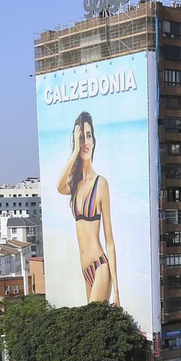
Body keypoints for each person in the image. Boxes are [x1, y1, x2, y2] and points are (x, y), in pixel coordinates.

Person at [56, 111, 119, 306]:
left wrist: (117, 290)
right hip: (85, 271)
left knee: (92, 322)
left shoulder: (101, 184)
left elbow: (110, 241)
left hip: (100, 266)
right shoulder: (74, 185)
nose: (85, 141)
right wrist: (75, 150)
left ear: (94, 140)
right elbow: (59, 187)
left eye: (89, 135)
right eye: (81, 136)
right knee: (91, 326)